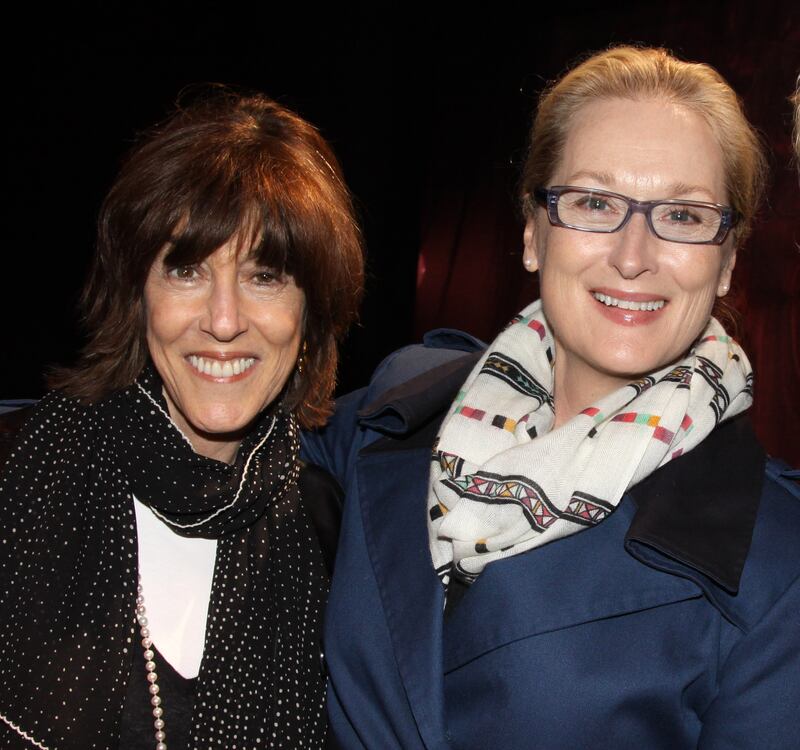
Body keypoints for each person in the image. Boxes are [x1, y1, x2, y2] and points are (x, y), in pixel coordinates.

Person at [302, 46, 800, 748]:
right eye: (594, 202)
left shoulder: (777, 565)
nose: (633, 255)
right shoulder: (398, 408)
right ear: (534, 234)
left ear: (727, 260)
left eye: (684, 216)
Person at [0, 91, 363, 749]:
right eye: (188, 269)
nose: (223, 321)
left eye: (266, 276)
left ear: (310, 314)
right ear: (137, 295)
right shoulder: (18, 475)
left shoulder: (336, 537)